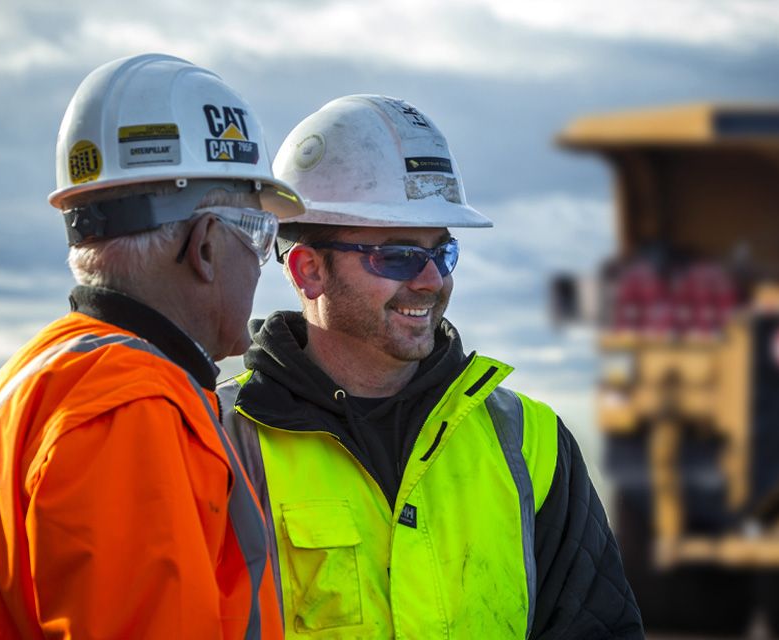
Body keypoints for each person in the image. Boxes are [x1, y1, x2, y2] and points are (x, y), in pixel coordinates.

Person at [219, 95, 643, 638]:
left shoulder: (528, 443)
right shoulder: (225, 443)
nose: (431, 281)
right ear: (308, 271)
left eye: (442, 253)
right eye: (397, 256)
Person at [0, 54, 305, 639]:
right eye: (257, 234)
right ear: (204, 246)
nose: (259, 265)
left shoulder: (37, 378)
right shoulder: (129, 409)